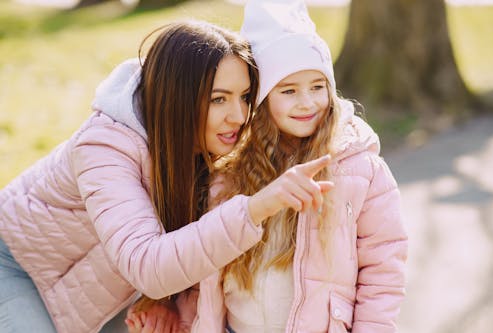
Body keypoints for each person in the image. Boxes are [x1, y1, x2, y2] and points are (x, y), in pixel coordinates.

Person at [0, 19, 335, 333]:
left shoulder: (205, 141)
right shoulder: (104, 148)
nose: (238, 115)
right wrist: (255, 208)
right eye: (219, 99)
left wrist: (165, 302)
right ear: (178, 98)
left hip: (95, 285)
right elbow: (147, 262)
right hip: (14, 265)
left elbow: (188, 238)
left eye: (245, 97)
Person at [127, 1, 408, 332]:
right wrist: (180, 319)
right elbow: (205, 272)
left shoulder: (361, 170)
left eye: (318, 87)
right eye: (288, 90)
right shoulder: (228, 174)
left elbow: (383, 269)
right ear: (261, 99)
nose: (307, 102)